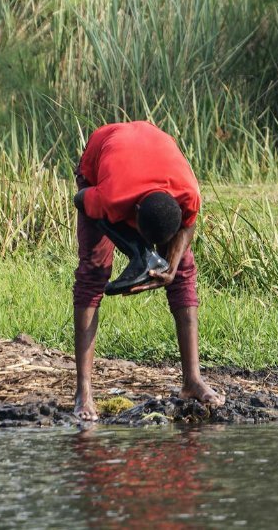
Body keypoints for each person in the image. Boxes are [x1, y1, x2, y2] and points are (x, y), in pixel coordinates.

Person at [72, 121, 223, 420]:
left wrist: (171, 266)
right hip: (102, 160)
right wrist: (135, 249)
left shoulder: (188, 193)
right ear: (135, 215)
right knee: (93, 272)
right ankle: (83, 391)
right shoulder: (110, 197)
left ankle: (192, 380)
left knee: (183, 272)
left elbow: (188, 224)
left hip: (152, 152)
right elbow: (81, 199)